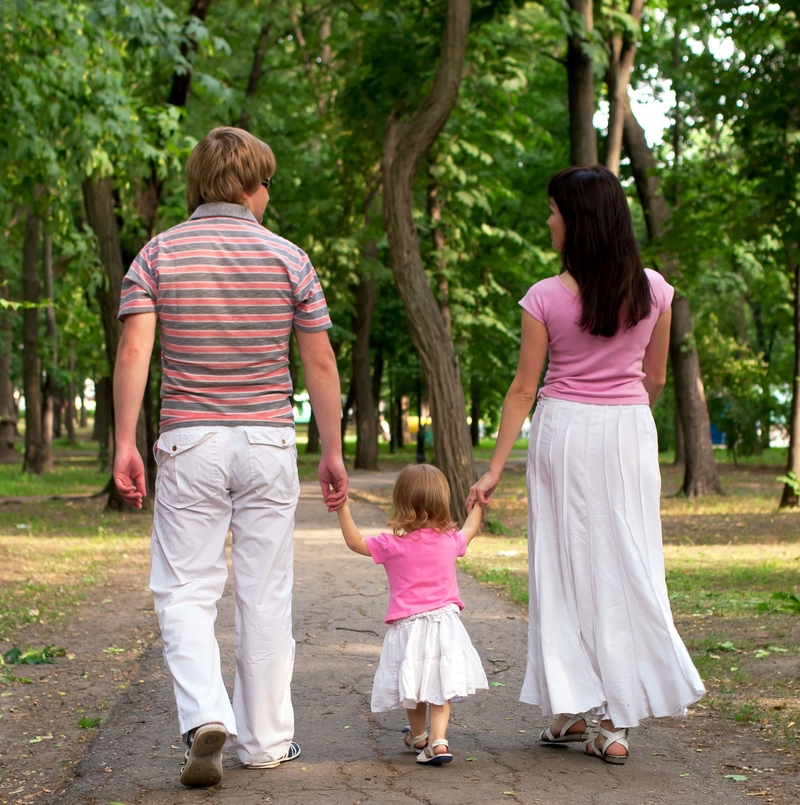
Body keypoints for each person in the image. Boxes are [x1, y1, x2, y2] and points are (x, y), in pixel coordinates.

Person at [112, 126, 348, 787]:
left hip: (191, 441)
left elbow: (135, 350)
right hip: (269, 441)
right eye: (267, 183)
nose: (269, 195)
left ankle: (205, 715)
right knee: (266, 592)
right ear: (249, 186)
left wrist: (125, 441)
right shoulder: (289, 258)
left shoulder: (157, 255)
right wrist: (330, 449)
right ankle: (268, 740)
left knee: (185, 589)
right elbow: (320, 358)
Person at [467, 166, 705, 765]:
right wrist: (621, 420)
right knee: (627, 564)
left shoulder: (546, 297)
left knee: (566, 567)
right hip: (628, 433)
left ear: (578, 221)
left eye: (553, 211)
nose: (548, 221)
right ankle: (606, 718)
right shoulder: (656, 290)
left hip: (564, 432)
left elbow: (523, 390)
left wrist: (494, 468)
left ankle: (581, 708)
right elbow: (652, 379)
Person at [336, 464, 488, 765]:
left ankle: (420, 736)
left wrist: (341, 506)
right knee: (439, 685)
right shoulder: (450, 540)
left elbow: (354, 542)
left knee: (414, 685)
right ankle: (439, 741)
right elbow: (470, 530)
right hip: (444, 625)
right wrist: (478, 504)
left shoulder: (392, 544)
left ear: (401, 501)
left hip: (409, 628)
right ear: (442, 501)